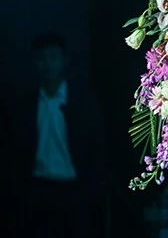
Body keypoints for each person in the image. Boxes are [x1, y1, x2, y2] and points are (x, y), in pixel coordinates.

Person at [12, 33, 107, 237]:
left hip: (75, 190)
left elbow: (96, 147)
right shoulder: (25, 104)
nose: (48, 64)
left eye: (53, 57)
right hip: (37, 190)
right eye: (42, 58)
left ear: (64, 60)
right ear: (35, 62)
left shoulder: (82, 102)